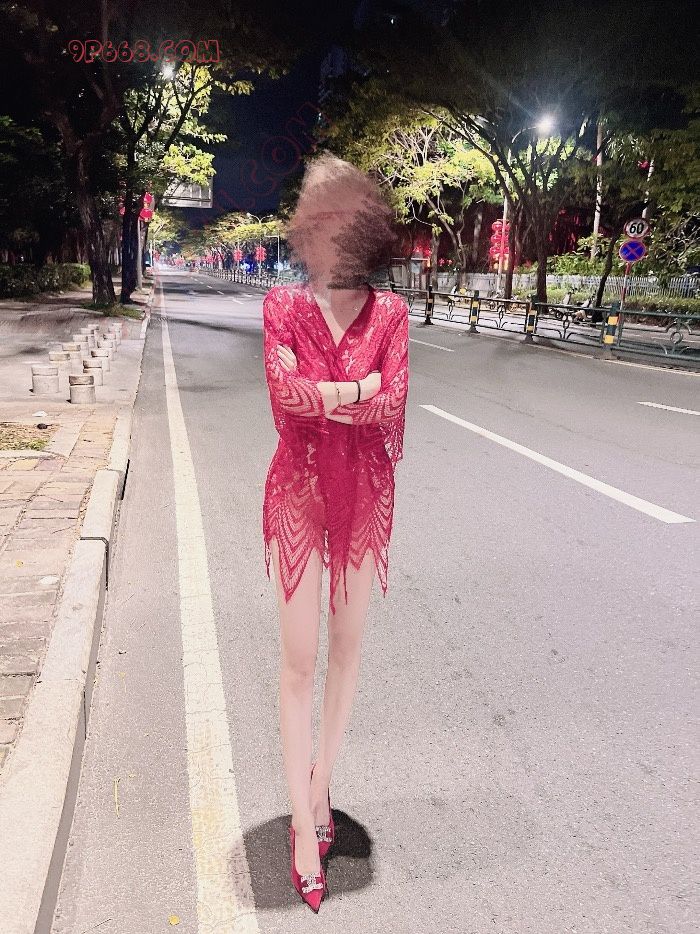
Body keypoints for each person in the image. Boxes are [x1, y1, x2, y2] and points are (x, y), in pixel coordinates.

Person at [261, 152, 410, 911]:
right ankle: (300, 822)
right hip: (299, 490)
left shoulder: (392, 314)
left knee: (347, 652)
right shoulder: (282, 307)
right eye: (320, 221)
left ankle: (322, 786)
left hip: (363, 494)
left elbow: (393, 404)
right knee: (299, 660)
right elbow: (285, 397)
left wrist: (331, 393)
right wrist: (358, 386)